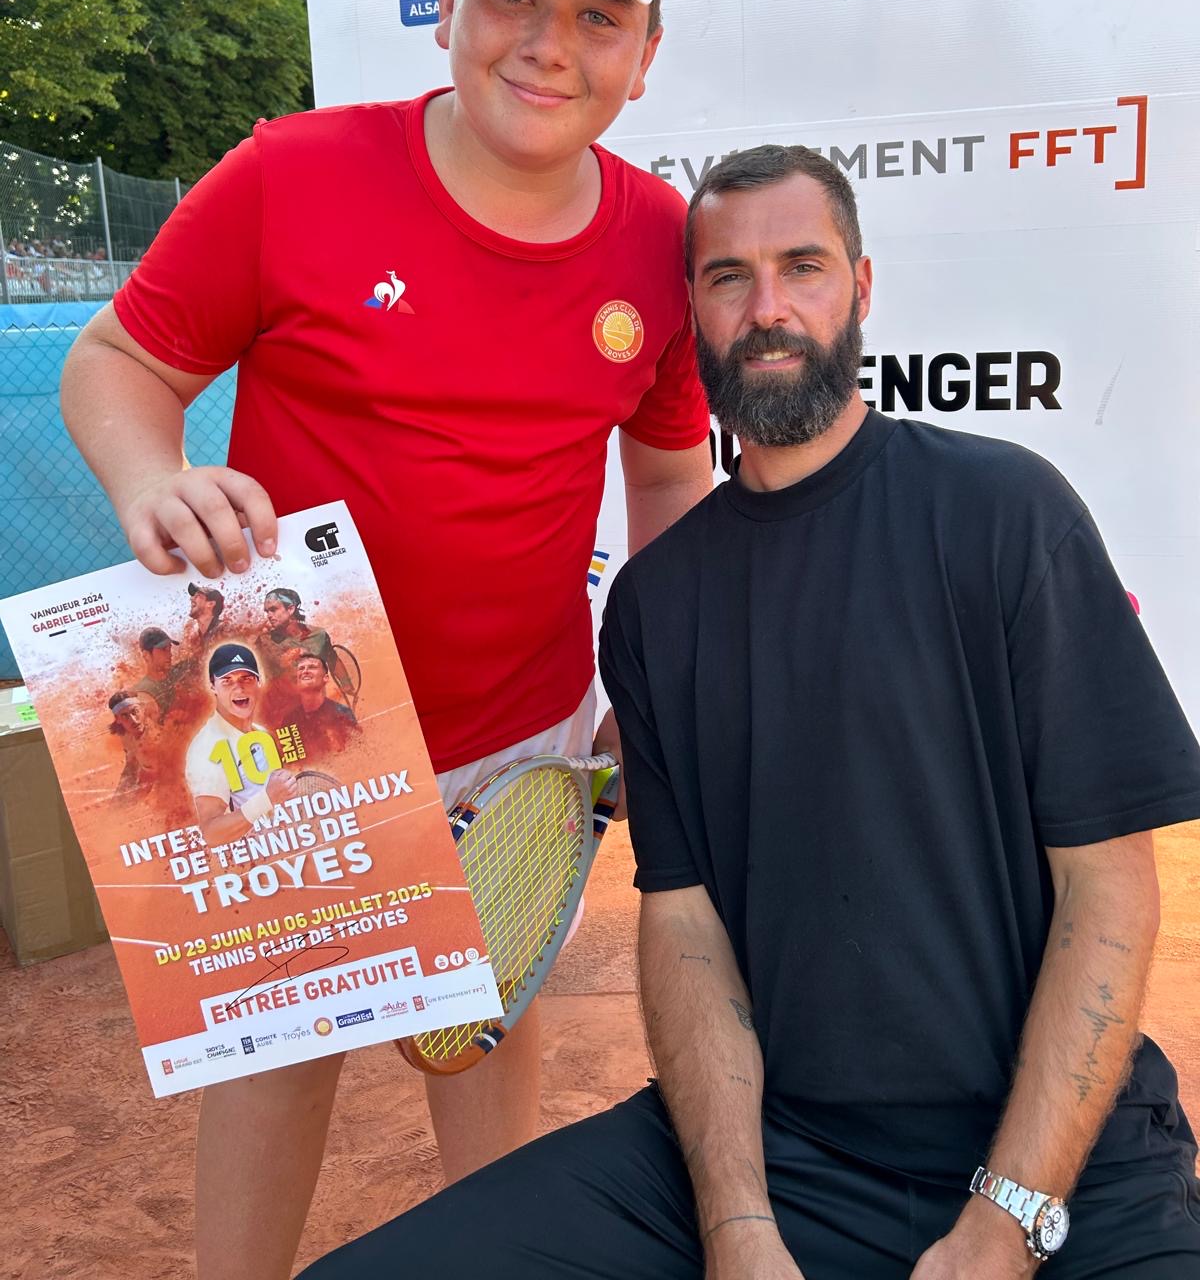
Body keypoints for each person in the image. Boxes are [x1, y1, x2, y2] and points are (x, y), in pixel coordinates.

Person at [298, 144, 1200, 1279]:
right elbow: (684, 925)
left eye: (802, 267)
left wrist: (1005, 1219)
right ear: (694, 313)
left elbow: (1110, 888)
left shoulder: (1007, 512)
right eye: (729, 277)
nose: (767, 309)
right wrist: (737, 1226)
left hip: (1063, 1161)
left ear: (860, 289)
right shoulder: (656, 606)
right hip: (784, 1152)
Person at [60, 0, 712, 1280]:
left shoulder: (661, 244)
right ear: (447, 2)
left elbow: (669, 473)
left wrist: (653, 677)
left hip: (519, 734)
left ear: (645, 57)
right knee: (280, 1061)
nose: (548, 43)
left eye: (598, 13)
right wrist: (152, 476)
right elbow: (117, 363)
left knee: (481, 1042)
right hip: (287, 733)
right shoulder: (291, 174)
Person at [183, 643, 298, 843]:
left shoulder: (261, 734)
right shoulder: (206, 748)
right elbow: (211, 833)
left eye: (247, 678)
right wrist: (267, 799)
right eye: (227, 681)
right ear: (213, 686)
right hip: (259, 857)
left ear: (259, 682)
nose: (239, 688)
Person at [278, 651, 359, 758]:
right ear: (297, 680)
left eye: (312, 667)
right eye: (301, 668)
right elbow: (290, 760)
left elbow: (358, 752)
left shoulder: (342, 713)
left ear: (325, 678)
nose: (305, 671)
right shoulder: (288, 720)